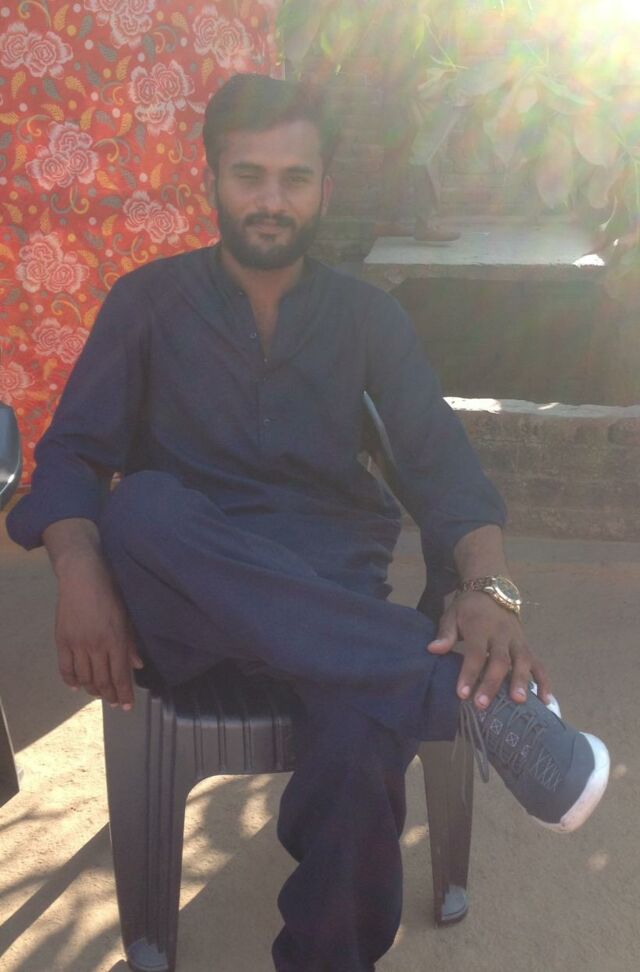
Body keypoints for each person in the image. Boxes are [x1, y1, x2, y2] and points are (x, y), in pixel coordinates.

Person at [7, 74, 609, 972]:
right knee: (143, 507)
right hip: (187, 605)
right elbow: (71, 456)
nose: (271, 200)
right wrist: (77, 567)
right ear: (212, 179)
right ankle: (454, 695)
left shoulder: (368, 317)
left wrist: (487, 587)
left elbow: (442, 463)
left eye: (295, 178)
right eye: (249, 175)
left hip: (330, 595)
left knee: (363, 739)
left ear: (325, 186)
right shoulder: (147, 303)